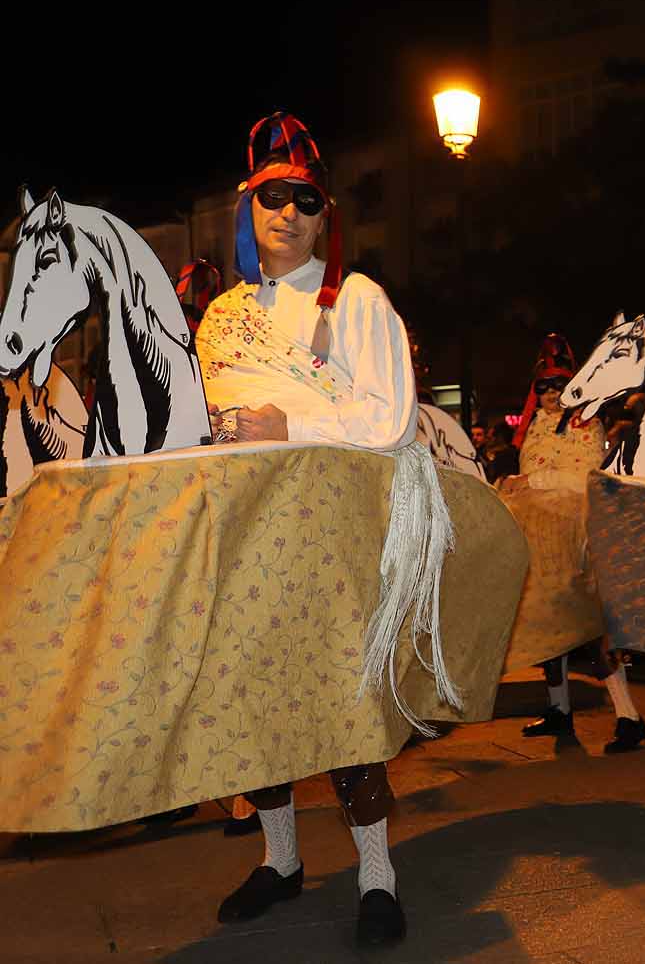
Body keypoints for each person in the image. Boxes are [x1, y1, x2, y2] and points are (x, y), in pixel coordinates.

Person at [195, 113, 413, 947]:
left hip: (327, 533)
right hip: (242, 530)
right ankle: (280, 859)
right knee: (253, 698)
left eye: (305, 199)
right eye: (271, 196)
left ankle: (377, 872)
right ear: (247, 206)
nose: (287, 212)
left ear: (326, 214)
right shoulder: (219, 317)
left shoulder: (355, 301)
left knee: (338, 700)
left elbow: (389, 420)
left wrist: (289, 423)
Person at [511, 333, 645, 754]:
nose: (551, 393)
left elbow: (583, 477)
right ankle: (559, 709)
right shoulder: (534, 425)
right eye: (544, 386)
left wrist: (534, 481)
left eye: (558, 385)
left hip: (576, 537)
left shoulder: (587, 422)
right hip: (539, 538)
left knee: (589, 629)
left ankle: (629, 716)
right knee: (545, 627)